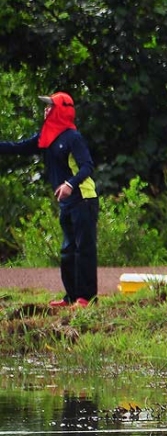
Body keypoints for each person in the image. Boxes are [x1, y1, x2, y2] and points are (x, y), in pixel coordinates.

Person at [0, 92, 98, 308]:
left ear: (62, 111)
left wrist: (70, 184)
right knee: (67, 250)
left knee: (84, 249)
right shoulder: (47, 136)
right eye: (46, 107)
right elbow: (18, 147)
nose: (46, 110)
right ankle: (71, 297)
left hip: (83, 198)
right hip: (66, 202)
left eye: (50, 107)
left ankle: (87, 298)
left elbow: (87, 166)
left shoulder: (73, 138)